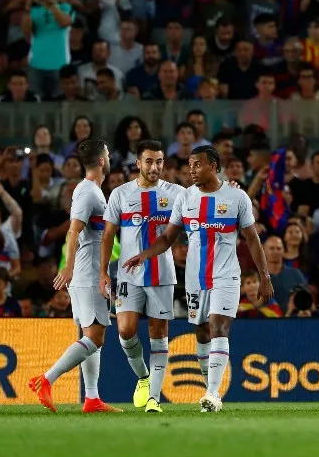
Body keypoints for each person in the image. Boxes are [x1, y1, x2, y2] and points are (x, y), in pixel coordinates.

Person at [122, 145, 273, 413]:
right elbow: (168, 237)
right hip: (195, 279)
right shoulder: (186, 198)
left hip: (226, 276)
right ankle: (209, 394)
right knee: (202, 333)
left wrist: (264, 276)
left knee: (218, 326)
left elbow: (252, 238)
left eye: (197, 165)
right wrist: (144, 255)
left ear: (213, 167)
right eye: (190, 165)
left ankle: (213, 394)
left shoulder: (236, 197)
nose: (192, 170)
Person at [29, 139, 121, 414]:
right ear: (102, 160)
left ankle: (92, 398)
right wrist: (68, 267)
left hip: (87, 272)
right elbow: (73, 230)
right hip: (87, 273)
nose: (109, 156)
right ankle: (46, 380)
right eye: (107, 153)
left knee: (90, 335)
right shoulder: (89, 192)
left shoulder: (92, 191)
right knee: (95, 337)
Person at [100, 140, 185, 413]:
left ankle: (154, 399)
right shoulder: (121, 194)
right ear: (138, 163)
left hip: (162, 273)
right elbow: (108, 235)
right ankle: (144, 378)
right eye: (149, 161)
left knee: (158, 333)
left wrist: (229, 187)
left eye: (159, 161)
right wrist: (103, 271)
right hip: (128, 275)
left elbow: (209, 195)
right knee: (125, 331)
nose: (154, 167)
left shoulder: (177, 193)